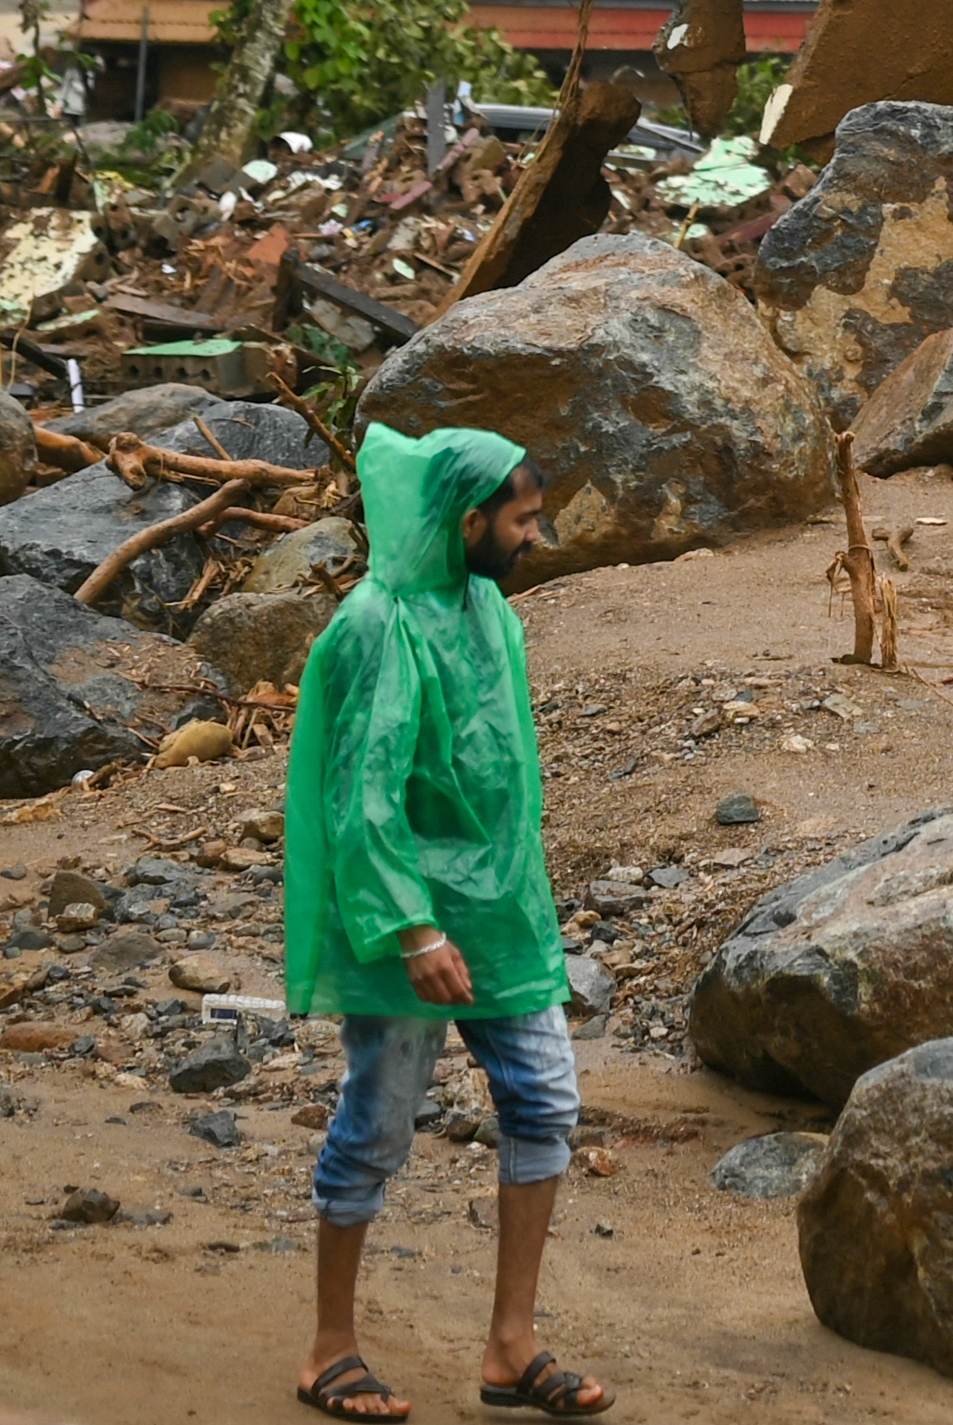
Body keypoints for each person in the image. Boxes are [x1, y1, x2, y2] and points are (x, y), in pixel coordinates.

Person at [282, 425, 614, 1420]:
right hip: (407, 923)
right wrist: (413, 929)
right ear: (468, 521)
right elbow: (364, 795)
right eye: (521, 520)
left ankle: (512, 1346)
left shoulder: (487, 612)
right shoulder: (377, 622)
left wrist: (517, 907)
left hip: (502, 916)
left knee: (546, 1104)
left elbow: (503, 776)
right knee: (377, 1123)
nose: (535, 537)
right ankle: (328, 1349)